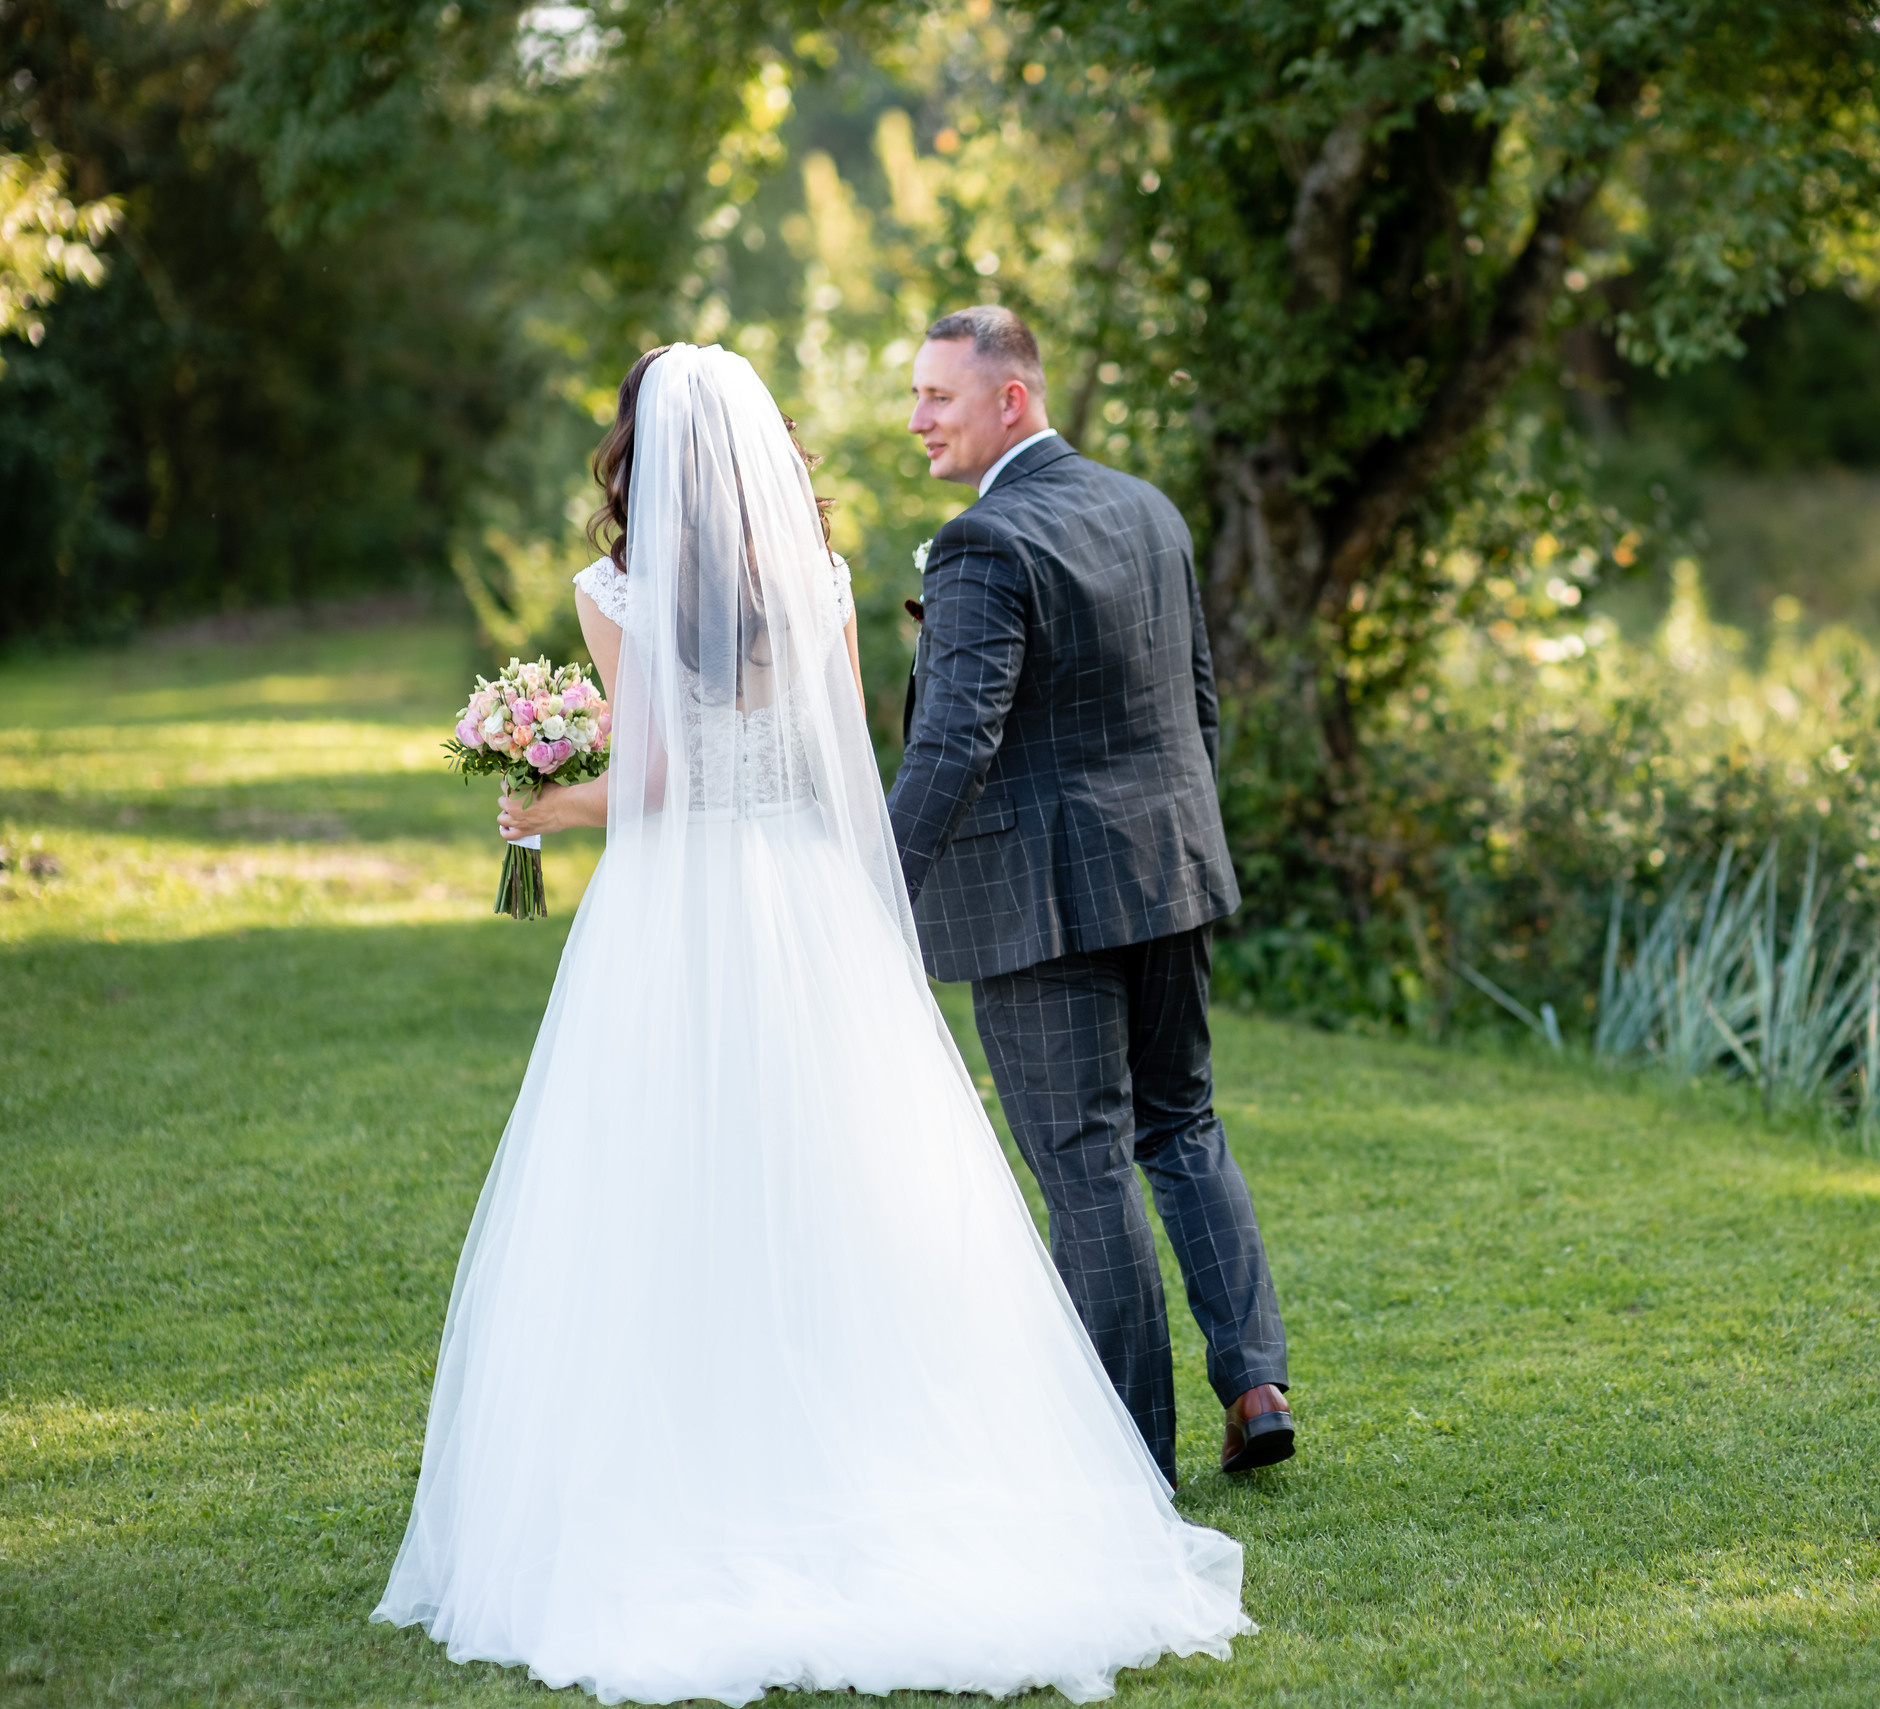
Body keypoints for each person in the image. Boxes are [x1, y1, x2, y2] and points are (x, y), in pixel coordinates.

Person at [372, 343, 1252, 1706]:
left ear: (642, 457)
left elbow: (659, 778)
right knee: (849, 1181)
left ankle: (704, 1465)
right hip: (809, 899)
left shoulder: (618, 593)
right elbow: (844, 762)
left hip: (678, 913)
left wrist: (551, 801)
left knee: (668, 1185)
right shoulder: (827, 584)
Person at [889, 306, 1293, 1483]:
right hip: (1167, 871)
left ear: (1009, 398)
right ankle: (1256, 1381)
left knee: (1083, 1159)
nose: (916, 418)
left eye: (937, 397)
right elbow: (1199, 703)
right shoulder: (1145, 506)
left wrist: (872, 888)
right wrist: (1180, 841)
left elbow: (950, 747)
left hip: (1040, 904)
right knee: (1183, 1122)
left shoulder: (981, 543)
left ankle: (1125, 1454)